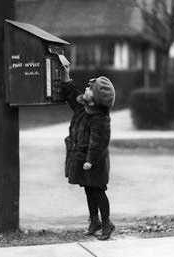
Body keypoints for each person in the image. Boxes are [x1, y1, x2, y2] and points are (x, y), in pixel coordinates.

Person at [60, 65, 115, 240]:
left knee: (98, 191)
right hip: (84, 158)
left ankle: (107, 224)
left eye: (89, 88)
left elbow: (98, 142)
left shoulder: (100, 118)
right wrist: (66, 77)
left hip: (95, 161)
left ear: (96, 97)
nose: (85, 88)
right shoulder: (84, 109)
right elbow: (71, 95)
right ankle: (94, 221)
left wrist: (90, 160)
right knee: (89, 191)